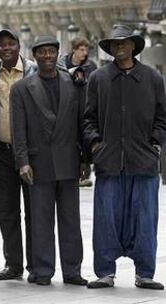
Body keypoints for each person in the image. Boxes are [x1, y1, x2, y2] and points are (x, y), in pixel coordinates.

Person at [84, 24, 166, 290]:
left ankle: (145, 273)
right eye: (114, 44)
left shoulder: (152, 78)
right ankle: (105, 272)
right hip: (109, 162)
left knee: (145, 218)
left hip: (143, 162)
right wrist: (96, 143)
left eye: (124, 43)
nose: (119, 48)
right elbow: (88, 119)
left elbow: (162, 118)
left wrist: (154, 142)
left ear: (133, 45)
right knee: (106, 218)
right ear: (110, 49)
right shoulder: (98, 78)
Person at [11, 36, 88, 286]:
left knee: (70, 220)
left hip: (68, 161)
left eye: (51, 52)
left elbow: (80, 124)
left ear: (57, 54)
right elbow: (18, 129)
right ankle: (43, 270)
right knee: (41, 221)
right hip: (38, 162)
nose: (47, 56)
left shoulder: (73, 83)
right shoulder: (22, 88)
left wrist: (85, 159)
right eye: (42, 52)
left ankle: (72, 270)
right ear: (34, 55)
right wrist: (22, 161)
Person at [0, 29, 36, 281]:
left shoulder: (34, 72)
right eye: (2, 45)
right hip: (2, 152)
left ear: (19, 46)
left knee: (34, 212)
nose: (7, 48)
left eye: (11, 44)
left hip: (31, 154)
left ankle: (36, 264)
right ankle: (13, 264)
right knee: (7, 212)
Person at [57, 37, 97, 187]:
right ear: (74, 49)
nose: (84, 53)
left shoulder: (91, 67)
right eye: (81, 49)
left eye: (86, 50)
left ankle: (85, 170)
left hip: (84, 108)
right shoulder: (61, 65)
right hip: (66, 108)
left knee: (84, 139)